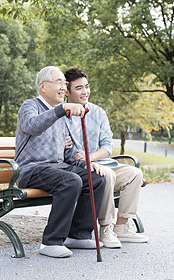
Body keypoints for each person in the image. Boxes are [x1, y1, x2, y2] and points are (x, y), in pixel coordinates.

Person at [15, 66, 106, 258]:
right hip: (31, 169)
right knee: (70, 180)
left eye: (64, 84)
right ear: (43, 86)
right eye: (59, 83)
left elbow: (69, 152)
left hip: (56, 168)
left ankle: (79, 234)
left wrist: (87, 164)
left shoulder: (59, 115)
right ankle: (51, 241)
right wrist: (59, 110)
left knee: (96, 178)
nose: (63, 88)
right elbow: (31, 126)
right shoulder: (30, 106)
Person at [64, 68, 149, 248]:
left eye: (86, 87)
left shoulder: (98, 113)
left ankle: (121, 227)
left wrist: (91, 157)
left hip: (97, 162)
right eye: (79, 88)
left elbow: (107, 147)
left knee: (134, 173)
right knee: (106, 175)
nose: (85, 91)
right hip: (75, 168)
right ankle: (106, 228)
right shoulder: (61, 114)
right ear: (67, 91)